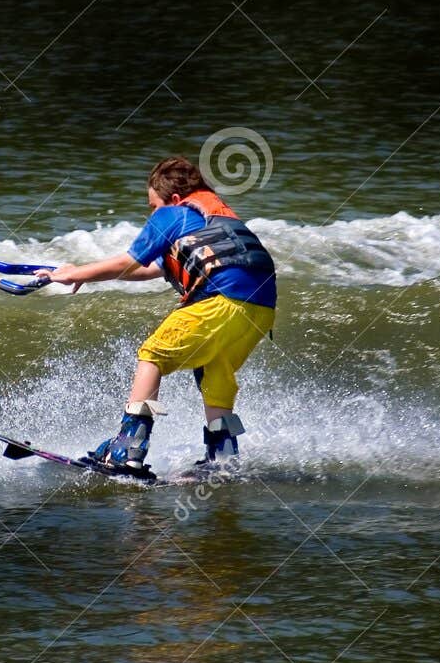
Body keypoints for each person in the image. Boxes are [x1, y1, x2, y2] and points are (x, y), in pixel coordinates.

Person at [35, 156, 277, 475]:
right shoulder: (219, 221)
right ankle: (223, 457)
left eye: (152, 206)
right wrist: (85, 274)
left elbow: (127, 261)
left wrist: (72, 273)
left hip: (221, 300)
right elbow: (148, 268)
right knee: (214, 370)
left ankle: (128, 450)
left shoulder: (172, 215)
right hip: (260, 311)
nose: (152, 213)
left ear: (174, 199)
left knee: (152, 356)